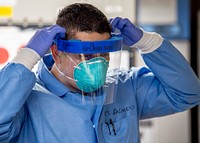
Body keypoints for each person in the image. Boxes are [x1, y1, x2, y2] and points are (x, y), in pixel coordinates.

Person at [0, 3, 200, 143]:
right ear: (56, 52)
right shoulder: (25, 101)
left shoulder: (126, 87)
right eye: (85, 56)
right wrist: (27, 56)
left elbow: (187, 94)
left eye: (103, 54)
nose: (97, 64)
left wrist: (148, 42)